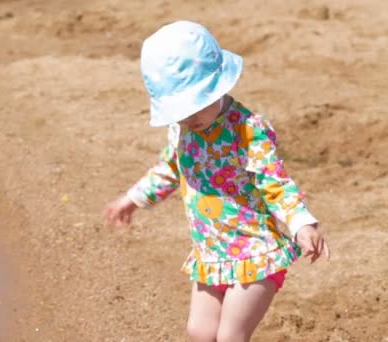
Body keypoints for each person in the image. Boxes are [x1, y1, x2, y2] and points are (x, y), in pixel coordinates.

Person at [103, 21, 330, 342]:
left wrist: (301, 224)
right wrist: (134, 198)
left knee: (229, 337)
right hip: (211, 251)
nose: (189, 117)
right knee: (200, 331)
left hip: (257, 250)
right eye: (179, 111)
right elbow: (170, 169)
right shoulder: (182, 130)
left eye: (196, 105)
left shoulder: (247, 129)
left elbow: (275, 182)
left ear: (219, 85)